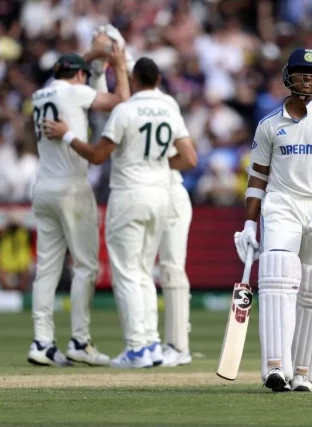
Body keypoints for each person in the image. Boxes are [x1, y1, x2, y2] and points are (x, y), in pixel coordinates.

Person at [43, 57, 198, 369]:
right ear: (158, 79)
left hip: (129, 195)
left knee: (127, 273)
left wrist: (68, 135)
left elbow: (99, 155)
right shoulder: (169, 107)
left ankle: (137, 348)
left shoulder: (125, 110)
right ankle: (151, 343)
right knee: (143, 272)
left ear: (135, 80)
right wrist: (154, 167)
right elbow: (189, 157)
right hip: (160, 196)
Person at [233, 48, 312, 392]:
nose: (307, 79)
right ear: (288, 76)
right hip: (281, 204)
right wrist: (250, 224)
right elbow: (257, 179)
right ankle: (275, 367)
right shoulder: (269, 124)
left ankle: (302, 372)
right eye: (300, 73)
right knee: (275, 278)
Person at [27, 42, 131, 367]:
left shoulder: (41, 94)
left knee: (46, 268)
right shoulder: (74, 93)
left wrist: (88, 58)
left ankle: (42, 342)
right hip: (71, 186)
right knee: (85, 266)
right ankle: (80, 341)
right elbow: (122, 103)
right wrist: (117, 65)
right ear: (80, 77)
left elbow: (67, 75)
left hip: (42, 186)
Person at [159, 158, 194, 367]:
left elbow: (190, 158)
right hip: (139, 193)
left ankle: (178, 346)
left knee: (172, 269)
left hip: (170, 193)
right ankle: (146, 344)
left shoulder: (172, 122)